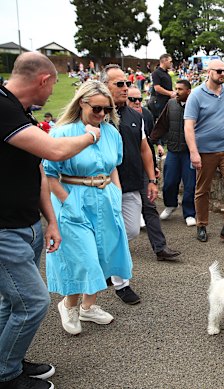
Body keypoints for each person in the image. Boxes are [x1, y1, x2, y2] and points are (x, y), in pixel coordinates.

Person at [1, 52, 101, 389]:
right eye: (54, 83)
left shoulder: (19, 110)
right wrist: (91, 135)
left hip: (26, 224)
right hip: (4, 229)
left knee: (10, 302)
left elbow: (37, 170)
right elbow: (54, 152)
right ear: (44, 80)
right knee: (32, 303)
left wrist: (50, 221)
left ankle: (8, 359)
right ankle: (6, 374)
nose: (52, 92)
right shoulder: (1, 108)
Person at [43, 80, 132, 335]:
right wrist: (68, 203)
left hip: (104, 197)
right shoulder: (61, 133)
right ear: (82, 103)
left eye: (107, 109)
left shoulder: (111, 133)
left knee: (103, 254)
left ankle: (88, 306)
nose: (102, 114)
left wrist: (117, 194)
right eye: (96, 108)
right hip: (73, 197)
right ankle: (69, 304)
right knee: (83, 258)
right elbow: (49, 174)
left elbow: (113, 165)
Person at [102, 64, 158, 304]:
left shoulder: (137, 115)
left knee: (131, 230)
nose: (126, 88)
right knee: (115, 233)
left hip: (132, 183)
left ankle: (107, 265)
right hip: (103, 185)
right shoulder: (98, 113)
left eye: (127, 83)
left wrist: (152, 179)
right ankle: (121, 283)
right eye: (120, 84)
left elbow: (145, 148)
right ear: (105, 86)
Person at [184, 59, 224, 245]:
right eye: (218, 71)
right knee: (202, 190)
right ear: (209, 72)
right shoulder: (196, 95)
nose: (222, 74)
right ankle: (201, 225)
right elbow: (189, 126)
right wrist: (194, 152)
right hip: (205, 151)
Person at [126, 86, 182, 261]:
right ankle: (115, 252)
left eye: (139, 99)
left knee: (150, 207)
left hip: (141, 169)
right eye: (132, 99)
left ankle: (160, 248)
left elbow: (146, 144)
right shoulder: (111, 117)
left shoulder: (144, 115)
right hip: (118, 172)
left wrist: (151, 170)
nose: (136, 103)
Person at [151, 80, 197, 227]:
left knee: (190, 184)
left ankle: (189, 213)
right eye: (176, 89)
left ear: (188, 91)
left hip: (188, 152)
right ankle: (171, 204)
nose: (176, 92)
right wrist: (153, 139)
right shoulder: (170, 104)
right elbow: (162, 123)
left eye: (180, 89)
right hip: (172, 150)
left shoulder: (196, 105)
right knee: (169, 182)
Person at [149, 53, 175, 119]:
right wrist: (170, 93)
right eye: (170, 61)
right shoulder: (156, 73)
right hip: (159, 102)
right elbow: (157, 88)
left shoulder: (167, 74)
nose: (171, 63)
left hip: (166, 102)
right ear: (164, 61)